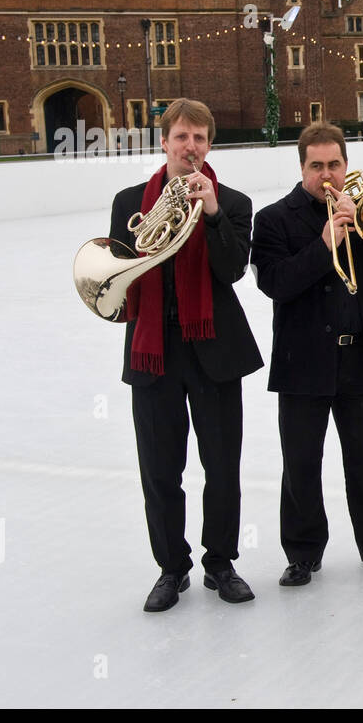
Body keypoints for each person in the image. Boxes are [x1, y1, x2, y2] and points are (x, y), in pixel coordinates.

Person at [109, 98, 263, 612]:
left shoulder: (235, 203)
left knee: (222, 466)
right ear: (165, 143)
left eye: (199, 138)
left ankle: (220, 563)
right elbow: (119, 274)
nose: (190, 146)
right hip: (153, 352)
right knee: (159, 469)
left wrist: (213, 212)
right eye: (181, 137)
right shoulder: (130, 199)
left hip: (214, 349)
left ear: (209, 145)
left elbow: (231, 270)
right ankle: (172, 568)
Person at [251, 123, 363, 587]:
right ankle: (303, 553)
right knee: (301, 461)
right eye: (317, 166)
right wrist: (325, 242)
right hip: (302, 360)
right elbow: (276, 283)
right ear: (302, 167)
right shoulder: (273, 219)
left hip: (362, 355)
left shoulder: (361, 207)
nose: (327, 174)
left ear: (346, 165)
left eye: (335, 165)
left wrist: (361, 222)